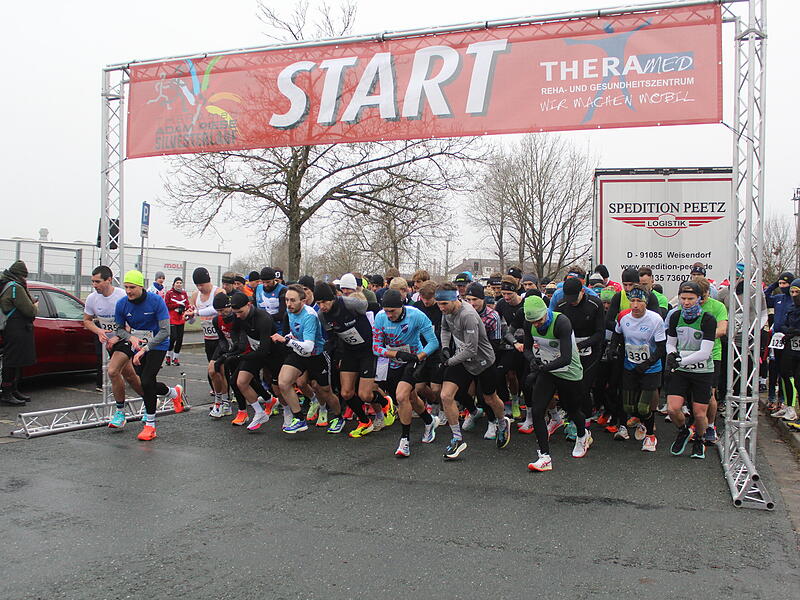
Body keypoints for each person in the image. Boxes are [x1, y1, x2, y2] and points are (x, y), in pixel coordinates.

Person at [437, 282, 512, 460]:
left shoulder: (468, 315)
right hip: (462, 360)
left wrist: (449, 361)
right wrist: (445, 347)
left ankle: (502, 423)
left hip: (482, 361)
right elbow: (445, 329)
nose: (441, 308)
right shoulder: (446, 312)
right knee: (446, 396)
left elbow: (471, 349)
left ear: (455, 299)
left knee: (489, 398)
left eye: (444, 304)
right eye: (439, 304)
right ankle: (457, 439)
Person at [106, 270, 184, 440]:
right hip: (138, 345)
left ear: (141, 287)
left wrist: (146, 348)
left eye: (132, 287)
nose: (128, 291)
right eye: (126, 287)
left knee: (147, 381)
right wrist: (131, 338)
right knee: (144, 383)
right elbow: (119, 329)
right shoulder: (122, 304)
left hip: (157, 344)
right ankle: (173, 393)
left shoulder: (156, 301)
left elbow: (165, 331)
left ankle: (150, 425)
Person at [316, 281, 394, 437]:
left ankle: (385, 402)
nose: (322, 306)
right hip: (349, 351)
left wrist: (381, 336)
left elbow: (374, 308)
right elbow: (332, 336)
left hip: (367, 350)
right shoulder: (322, 315)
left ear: (332, 298)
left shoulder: (349, 303)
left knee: (365, 394)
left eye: (324, 302)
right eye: (318, 303)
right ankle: (365, 422)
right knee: (346, 393)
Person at [523, 295, 591, 472]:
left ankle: (583, 435)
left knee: (572, 410)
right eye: (533, 322)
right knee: (537, 411)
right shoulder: (530, 323)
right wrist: (532, 360)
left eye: (539, 320)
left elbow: (566, 358)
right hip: (548, 371)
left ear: (546, 312)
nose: (537, 325)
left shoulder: (562, 322)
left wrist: (541, 369)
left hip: (569, 371)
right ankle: (544, 457)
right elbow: (527, 348)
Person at [371, 289, 440, 458]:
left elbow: (433, 342)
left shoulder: (416, 315)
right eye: (386, 311)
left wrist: (419, 357)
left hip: (414, 359)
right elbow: (376, 347)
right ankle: (429, 421)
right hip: (395, 360)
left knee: (401, 396)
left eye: (392, 311)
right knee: (411, 398)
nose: (389, 315)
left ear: (401, 306)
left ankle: (405, 441)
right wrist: (395, 354)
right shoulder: (380, 317)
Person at [271, 284, 343, 434]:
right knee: (283, 382)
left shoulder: (309, 316)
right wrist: (289, 337)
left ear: (303, 301)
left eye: (293, 300)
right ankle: (299, 418)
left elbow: (309, 347)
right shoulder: (290, 311)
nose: (289, 304)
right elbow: (295, 332)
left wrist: (287, 341)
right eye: (286, 300)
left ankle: (338, 416)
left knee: (324, 391)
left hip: (317, 356)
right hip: (299, 353)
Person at [608, 284, 666, 451]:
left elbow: (661, 348)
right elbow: (617, 334)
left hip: (650, 369)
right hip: (630, 366)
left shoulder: (655, 319)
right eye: (632, 300)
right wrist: (612, 349)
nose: (635, 305)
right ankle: (641, 421)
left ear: (646, 302)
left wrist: (646, 364)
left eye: (639, 301)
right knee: (628, 407)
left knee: (643, 407)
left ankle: (650, 435)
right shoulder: (624, 317)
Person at [665, 281, 717, 459]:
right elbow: (671, 343)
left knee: (699, 413)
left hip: (702, 371)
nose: (686, 302)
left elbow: (705, 352)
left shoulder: (708, 320)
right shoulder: (675, 316)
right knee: (673, 409)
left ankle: (700, 439)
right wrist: (671, 354)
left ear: (699, 299)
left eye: (691, 299)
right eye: (683, 298)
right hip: (681, 370)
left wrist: (680, 361)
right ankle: (683, 431)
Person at [555, 277, 606, 438]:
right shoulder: (561, 305)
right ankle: (572, 416)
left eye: (574, 298)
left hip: (590, 349)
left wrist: (581, 345)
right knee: (568, 386)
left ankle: (585, 422)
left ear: (582, 292)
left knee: (583, 387)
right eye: (568, 298)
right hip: (569, 348)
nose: (572, 302)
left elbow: (600, 333)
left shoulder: (595, 304)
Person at [222, 292, 278, 431]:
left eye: (240, 312)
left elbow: (264, 350)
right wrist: (236, 343)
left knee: (280, 386)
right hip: (255, 352)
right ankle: (259, 413)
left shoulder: (263, 318)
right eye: (235, 313)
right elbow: (234, 330)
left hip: (272, 353)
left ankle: (289, 414)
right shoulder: (239, 316)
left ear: (249, 305)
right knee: (240, 382)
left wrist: (239, 357)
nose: (238, 316)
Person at [83, 265, 129, 393]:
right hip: (109, 341)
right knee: (125, 374)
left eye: (97, 282)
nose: (94, 285)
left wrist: (117, 337)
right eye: (92, 281)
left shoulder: (122, 296)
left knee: (115, 371)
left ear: (109, 280)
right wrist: (99, 331)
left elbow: (131, 323)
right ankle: (126, 400)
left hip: (125, 338)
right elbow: (87, 320)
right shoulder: (92, 298)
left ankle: (149, 397)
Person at [0, 261, 38, 405]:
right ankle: (7, 393)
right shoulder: (15, 287)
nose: (25, 279)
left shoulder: (7, 284)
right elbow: (30, 310)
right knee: (12, 361)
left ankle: (13, 390)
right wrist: (35, 305)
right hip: (16, 328)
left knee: (15, 360)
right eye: (24, 276)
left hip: (11, 328)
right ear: (20, 275)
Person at [773, 278, 800, 423]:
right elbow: (783, 324)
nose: (794, 295)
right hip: (790, 346)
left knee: (798, 380)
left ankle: (794, 409)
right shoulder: (791, 308)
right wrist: (788, 331)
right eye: (792, 292)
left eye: (797, 292)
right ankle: (788, 406)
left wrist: (795, 331)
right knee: (784, 373)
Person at [164, 277, 189, 366]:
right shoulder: (169, 293)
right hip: (172, 319)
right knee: (173, 337)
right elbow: (167, 305)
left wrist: (184, 308)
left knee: (179, 339)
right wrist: (177, 305)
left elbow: (187, 304)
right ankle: (168, 355)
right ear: (173, 284)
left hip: (181, 319)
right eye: (177, 283)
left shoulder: (184, 293)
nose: (179, 284)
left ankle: (175, 358)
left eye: (180, 283)